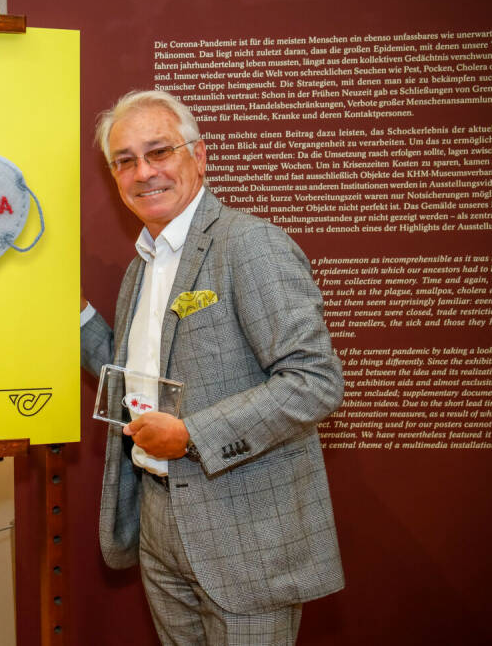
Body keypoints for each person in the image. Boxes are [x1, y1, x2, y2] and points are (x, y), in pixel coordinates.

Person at [81, 90, 344, 645]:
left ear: (198, 156)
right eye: (125, 161)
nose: (143, 172)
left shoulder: (250, 245)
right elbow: (134, 385)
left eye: (159, 152)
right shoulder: (141, 267)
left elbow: (314, 381)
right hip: (157, 523)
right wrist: (77, 319)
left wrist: (191, 435)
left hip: (245, 535)